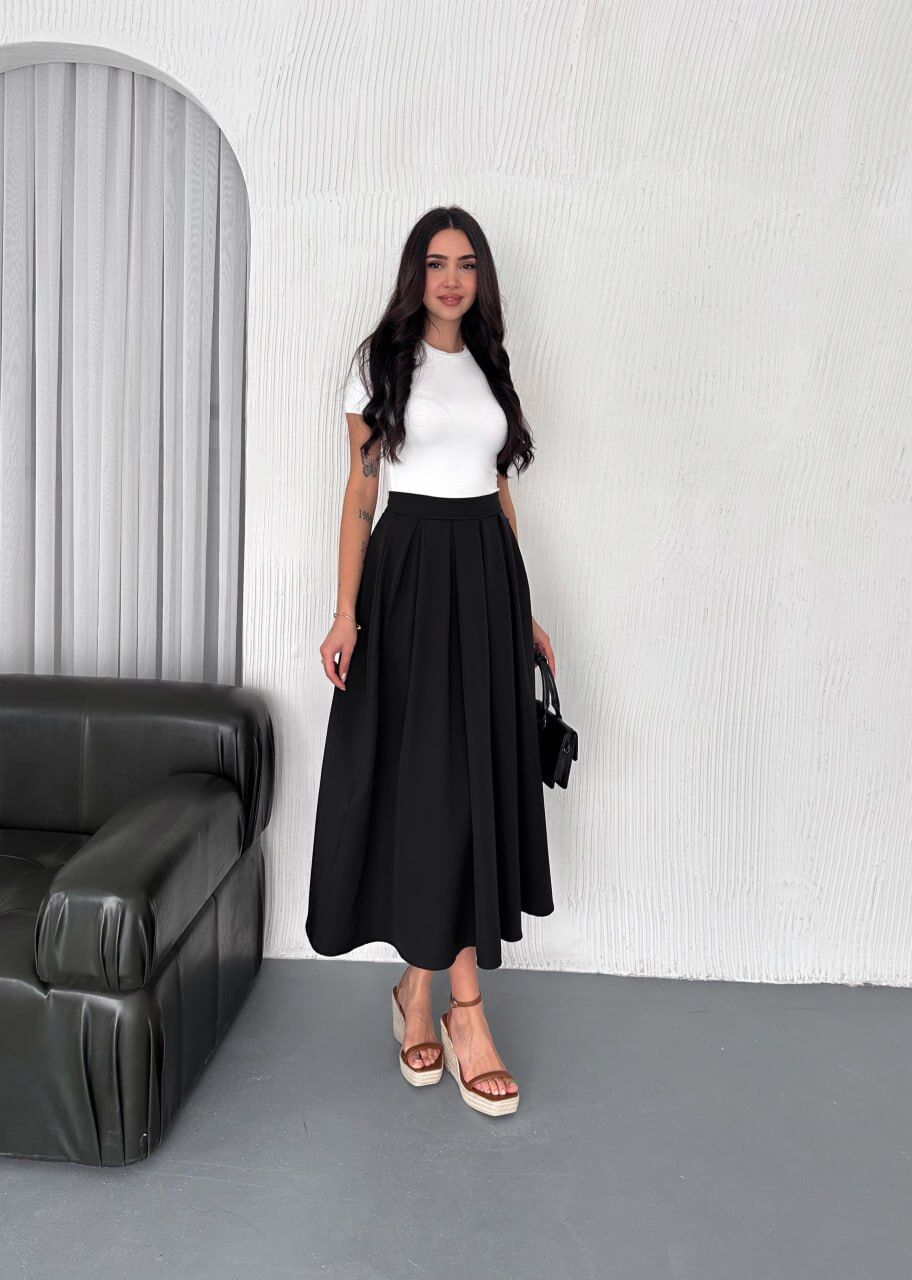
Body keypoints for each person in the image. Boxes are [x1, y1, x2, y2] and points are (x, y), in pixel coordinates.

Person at [305, 206, 556, 1117]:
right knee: (434, 789)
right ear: (415, 273)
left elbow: (498, 492)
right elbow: (360, 494)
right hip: (410, 583)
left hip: (486, 583)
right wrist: (346, 613)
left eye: (467, 264)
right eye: (437, 262)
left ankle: (418, 993)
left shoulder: (490, 362)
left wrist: (524, 612)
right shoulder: (379, 363)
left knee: (470, 784)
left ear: (481, 278)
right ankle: (465, 1012)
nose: (452, 279)